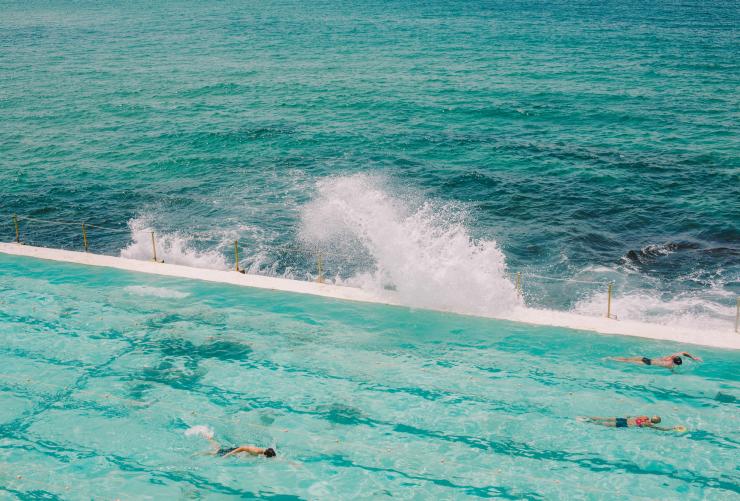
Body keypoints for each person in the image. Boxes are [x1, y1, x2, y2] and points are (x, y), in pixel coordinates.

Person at [185, 426, 276, 458]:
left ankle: (209, 437)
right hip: (234, 450)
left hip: (235, 450)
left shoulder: (263, 451)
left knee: (217, 449)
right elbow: (242, 448)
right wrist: (228, 455)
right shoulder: (256, 451)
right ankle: (197, 453)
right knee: (215, 453)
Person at [580, 415, 686, 432]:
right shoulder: (648, 424)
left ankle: (587, 417)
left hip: (624, 420)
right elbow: (661, 429)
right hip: (624, 425)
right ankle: (588, 421)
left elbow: (631, 417)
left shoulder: (644, 417)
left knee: (605, 419)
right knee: (602, 424)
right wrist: (673, 428)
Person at [610, 352, 702, 369]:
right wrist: (675, 373)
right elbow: (671, 369)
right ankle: (612, 359)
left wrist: (693, 357)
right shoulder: (670, 364)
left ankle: (612, 358)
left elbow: (684, 352)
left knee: (627, 359)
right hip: (648, 363)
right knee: (627, 361)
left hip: (646, 358)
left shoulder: (670, 357)